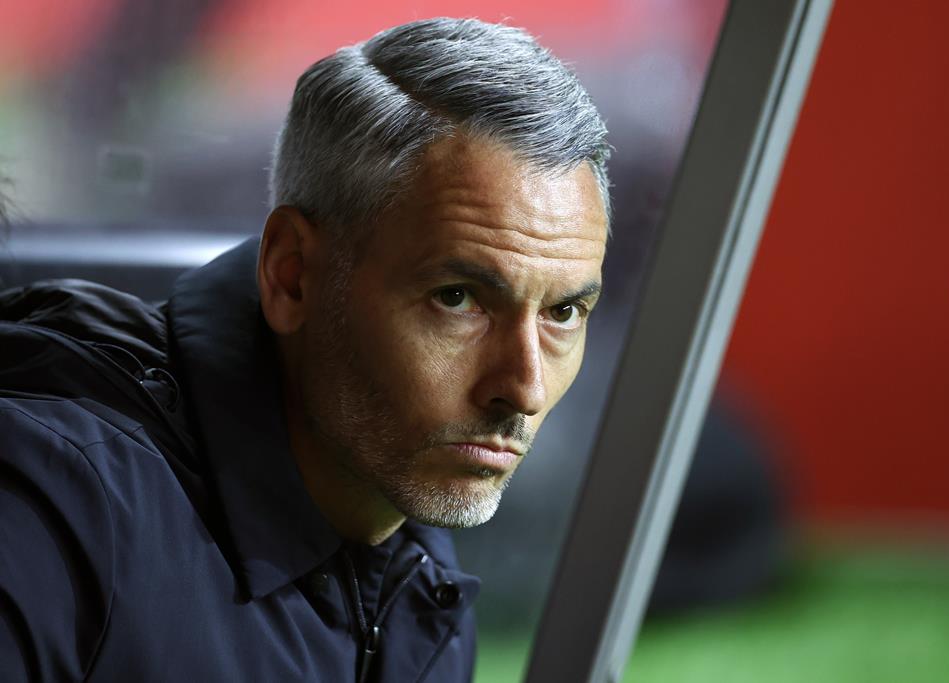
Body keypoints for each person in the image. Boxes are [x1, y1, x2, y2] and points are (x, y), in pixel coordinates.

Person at [0, 18, 610, 683]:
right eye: (458, 298)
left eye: (562, 312)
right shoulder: (48, 512)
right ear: (291, 275)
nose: (524, 388)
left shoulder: (415, 574)